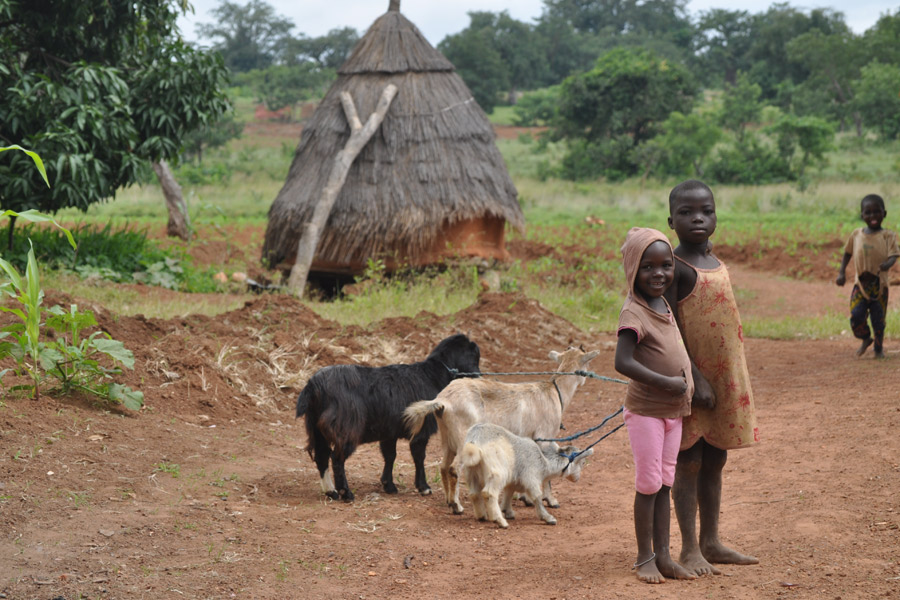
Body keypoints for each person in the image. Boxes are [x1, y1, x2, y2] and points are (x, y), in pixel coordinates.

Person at [663, 179, 760, 577]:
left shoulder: (712, 260)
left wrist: (719, 380)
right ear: (671, 221)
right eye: (686, 213)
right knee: (689, 460)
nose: (698, 218)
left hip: (725, 378)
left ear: (716, 216)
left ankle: (712, 541)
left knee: (716, 457)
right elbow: (669, 328)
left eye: (706, 210)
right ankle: (688, 548)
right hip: (693, 381)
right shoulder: (674, 268)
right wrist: (695, 378)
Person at [614, 227, 696, 584]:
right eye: (648, 267)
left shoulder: (663, 303)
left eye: (665, 265)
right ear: (633, 269)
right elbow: (622, 362)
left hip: (673, 413)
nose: (659, 274)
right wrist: (665, 382)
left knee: (664, 482)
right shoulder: (633, 312)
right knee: (648, 484)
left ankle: (664, 555)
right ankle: (643, 557)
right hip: (647, 411)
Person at [836, 194, 899, 359]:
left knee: (878, 320)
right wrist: (841, 272)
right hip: (860, 285)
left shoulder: (888, 235)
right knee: (856, 315)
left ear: (884, 214)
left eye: (877, 212)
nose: (872, 216)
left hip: (880, 286)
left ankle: (878, 349)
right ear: (862, 215)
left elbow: (894, 255)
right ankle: (865, 338)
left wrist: (888, 264)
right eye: (868, 213)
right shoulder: (856, 234)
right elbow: (847, 253)